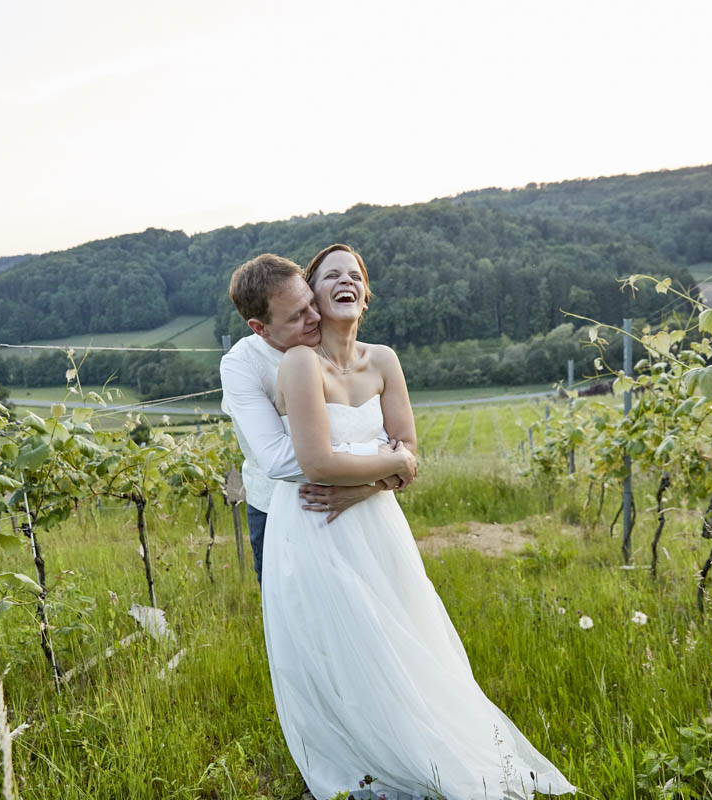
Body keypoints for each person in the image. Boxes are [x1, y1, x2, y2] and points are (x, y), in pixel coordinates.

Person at [262, 244, 575, 799]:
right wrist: (397, 464)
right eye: (331, 275)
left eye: (355, 274)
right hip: (315, 526)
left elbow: (411, 453)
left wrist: (368, 483)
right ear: (312, 293)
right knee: (341, 645)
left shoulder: (383, 360)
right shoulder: (300, 363)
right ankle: (364, 762)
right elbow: (318, 463)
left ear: (366, 293)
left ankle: (423, 749)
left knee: (405, 640)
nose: (345, 281)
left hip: (374, 523)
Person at [220, 254, 406, 583]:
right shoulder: (242, 365)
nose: (314, 317)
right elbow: (278, 460)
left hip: (366, 506)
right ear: (260, 328)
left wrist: (367, 487)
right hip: (284, 510)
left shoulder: (336, 344)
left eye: (310, 303)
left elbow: (401, 444)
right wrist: (383, 459)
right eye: (297, 317)